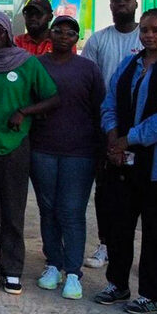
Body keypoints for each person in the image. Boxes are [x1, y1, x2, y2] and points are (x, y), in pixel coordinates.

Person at [96, 8, 157, 314]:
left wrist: (129, 138)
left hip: (156, 165)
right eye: (145, 30)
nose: (149, 35)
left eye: (156, 30)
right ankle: (117, 284)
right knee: (118, 224)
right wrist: (112, 137)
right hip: (121, 161)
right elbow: (109, 102)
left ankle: (152, 294)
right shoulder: (128, 64)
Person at [0, 13, 60, 295]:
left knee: (13, 210)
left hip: (16, 146)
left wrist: (24, 111)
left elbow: (53, 97)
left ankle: (11, 269)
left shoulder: (27, 63)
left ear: (9, 33)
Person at [30, 16, 105, 299]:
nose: (63, 35)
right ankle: (53, 264)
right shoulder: (36, 65)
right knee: (47, 209)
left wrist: (101, 151)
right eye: (58, 30)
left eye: (70, 32)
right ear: (50, 33)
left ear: (77, 38)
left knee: (72, 212)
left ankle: (73, 272)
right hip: (43, 149)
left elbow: (100, 111)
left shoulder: (89, 69)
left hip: (80, 152)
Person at [81, 0, 142, 271]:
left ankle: (128, 248)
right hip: (106, 127)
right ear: (110, 5)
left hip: (142, 130)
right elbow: (90, 85)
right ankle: (106, 244)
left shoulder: (145, 38)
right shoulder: (99, 40)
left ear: (136, 3)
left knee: (138, 191)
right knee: (105, 190)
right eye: (115, 0)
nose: (121, 4)